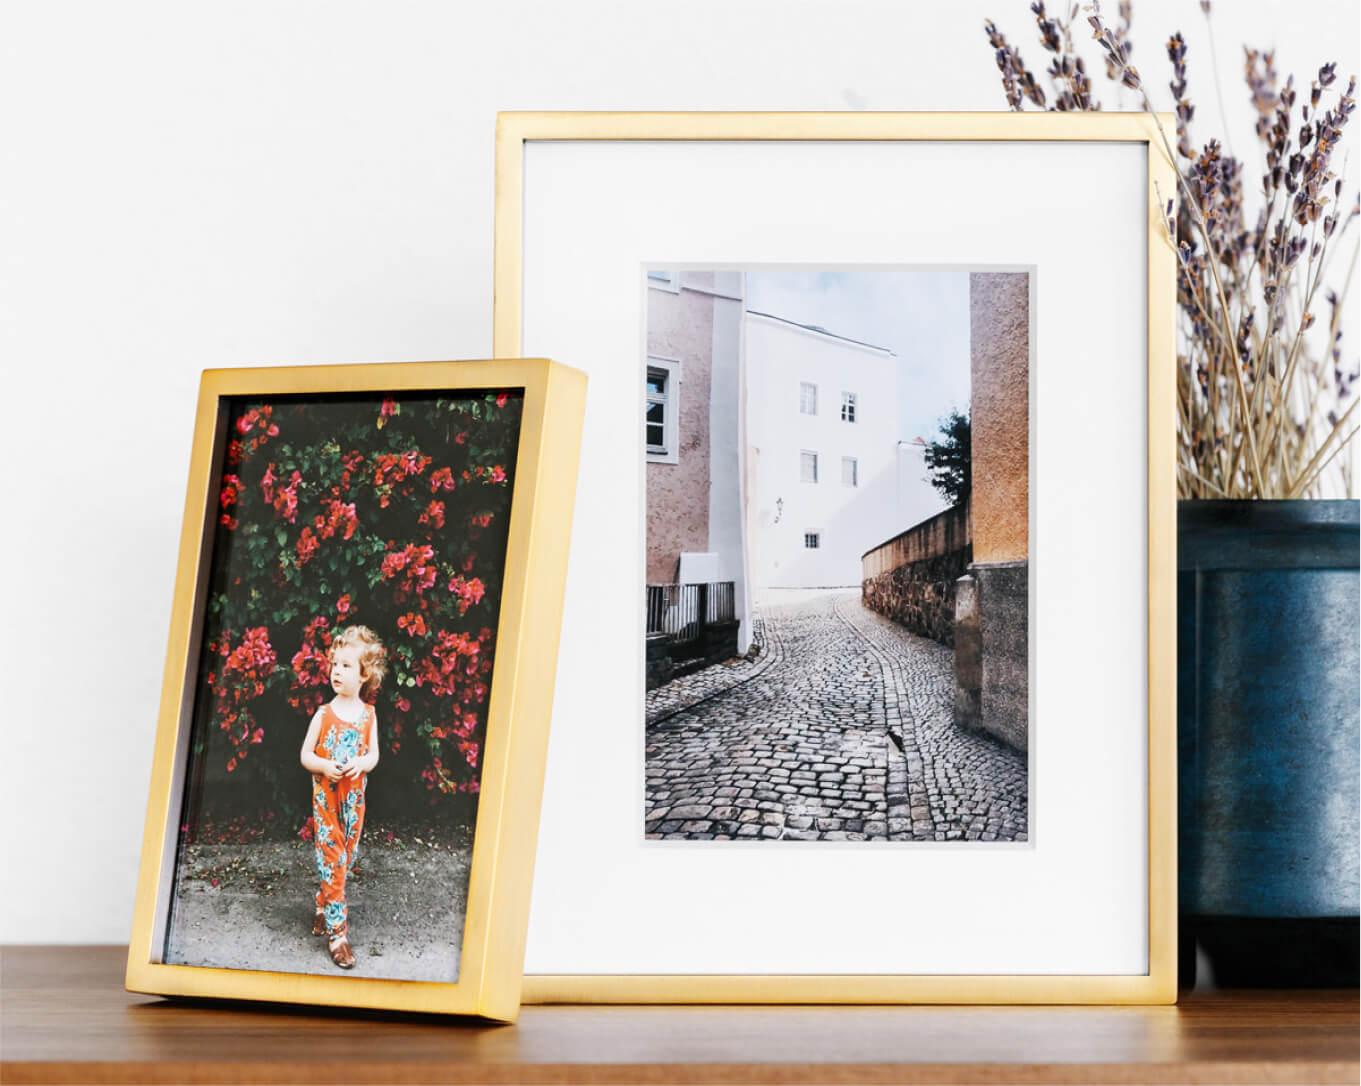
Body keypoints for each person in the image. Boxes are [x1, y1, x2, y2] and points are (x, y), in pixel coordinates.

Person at [299, 625, 386, 969]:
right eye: (335, 664)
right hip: (327, 806)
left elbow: (374, 756)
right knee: (333, 859)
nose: (337, 671)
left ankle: (322, 901)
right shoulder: (324, 715)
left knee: (344, 861)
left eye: (346, 666)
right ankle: (338, 934)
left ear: (365, 674)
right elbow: (305, 756)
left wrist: (361, 763)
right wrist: (323, 765)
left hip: (353, 807)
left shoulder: (368, 716)